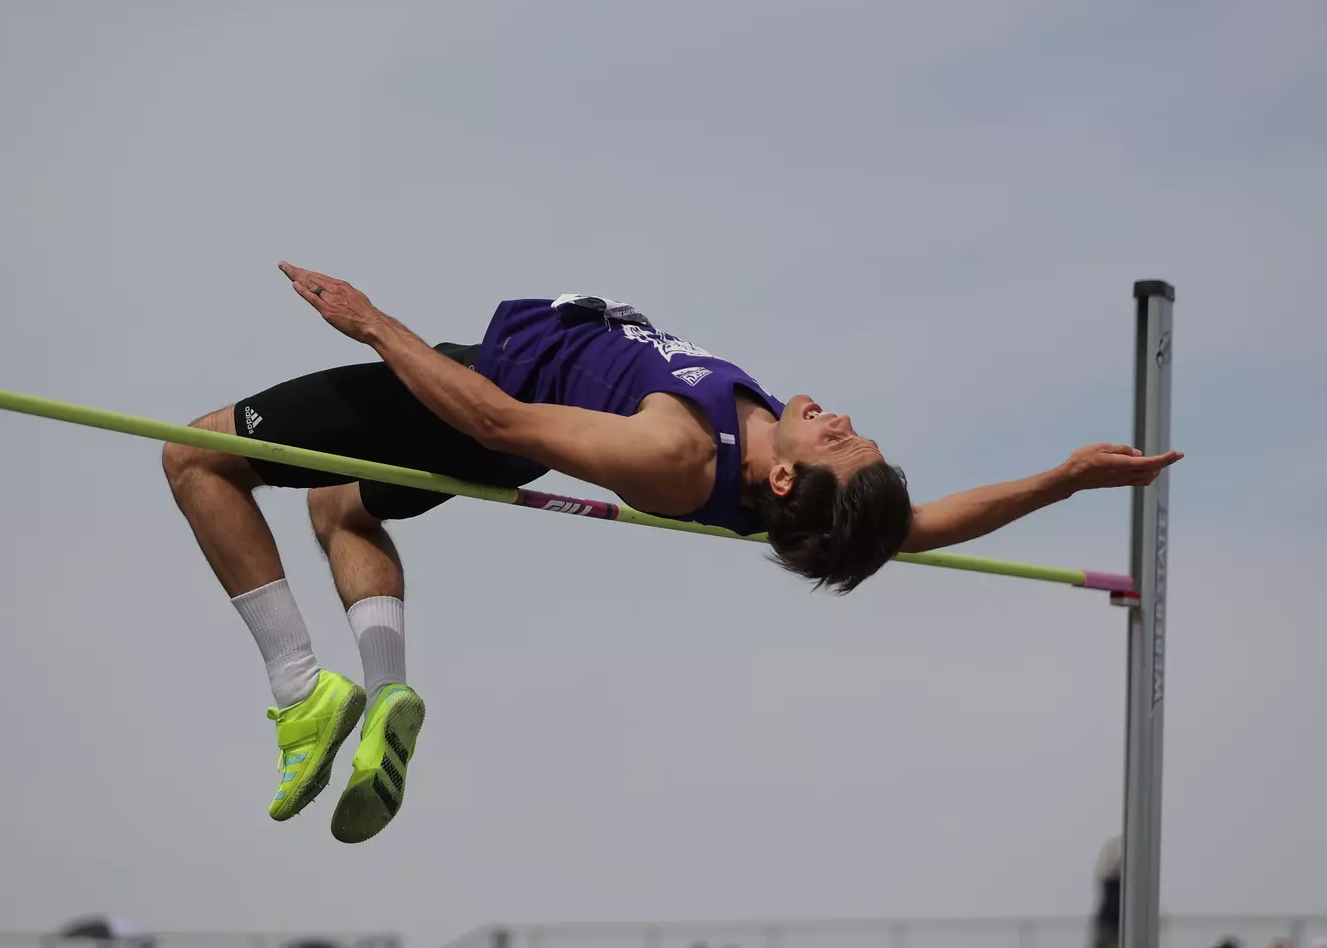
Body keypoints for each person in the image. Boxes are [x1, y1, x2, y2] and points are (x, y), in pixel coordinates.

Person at [162, 264, 1183, 843]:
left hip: (470, 402)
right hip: (486, 400)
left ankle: (301, 690)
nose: (842, 418)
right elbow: (917, 527)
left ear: (782, 480)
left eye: (840, 441)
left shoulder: (678, 454)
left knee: (196, 456)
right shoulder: (789, 485)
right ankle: (384, 692)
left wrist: (372, 322)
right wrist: (1062, 479)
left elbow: (498, 423)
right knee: (340, 507)